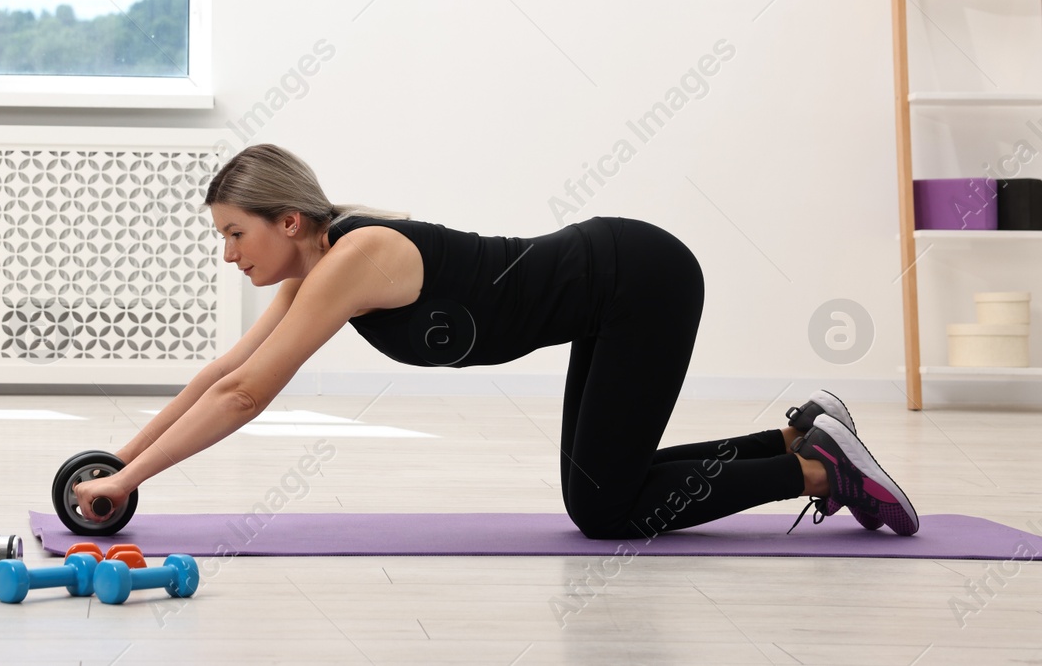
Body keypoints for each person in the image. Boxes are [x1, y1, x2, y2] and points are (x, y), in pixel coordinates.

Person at [73, 143, 918, 539]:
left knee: (603, 509)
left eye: (232, 234)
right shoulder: (319, 258)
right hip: (611, 290)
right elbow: (228, 370)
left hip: (638, 281)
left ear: (286, 219)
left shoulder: (354, 256)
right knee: (607, 488)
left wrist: (133, 480)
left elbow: (247, 397)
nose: (229, 255)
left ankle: (819, 468)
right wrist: (118, 460)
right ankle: (795, 436)